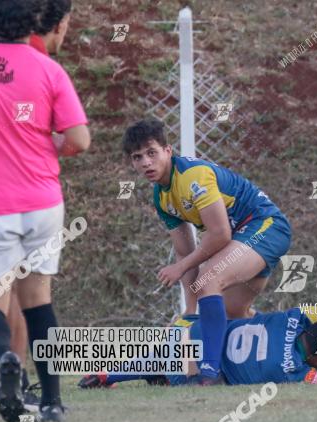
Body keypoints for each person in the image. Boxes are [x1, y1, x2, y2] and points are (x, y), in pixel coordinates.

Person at [0, 0, 90, 422]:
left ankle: (8, 358)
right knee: (39, 304)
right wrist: (51, 145)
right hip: (43, 203)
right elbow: (79, 138)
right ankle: (52, 402)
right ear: (33, 22)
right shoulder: (48, 69)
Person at [122, 119, 292, 386]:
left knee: (209, 278)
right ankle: (284, 352)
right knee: (231, 313)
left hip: (266, 227)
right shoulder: (161, 197)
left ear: (168, 150)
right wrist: (190, 311)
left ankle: (210, 373)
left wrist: (182, 269)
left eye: (151, 152)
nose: (145, 162)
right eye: (137, 157)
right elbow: (184, 252)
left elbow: (219, 234)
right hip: (242, 239)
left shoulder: (192, 176)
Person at [78, 308, 317, 388]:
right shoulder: (294, 373)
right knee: (205, 378)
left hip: (188, 325)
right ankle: (134, 374)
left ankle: (110, 372)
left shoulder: (297, 317)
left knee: (220, 322)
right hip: (194, 369)